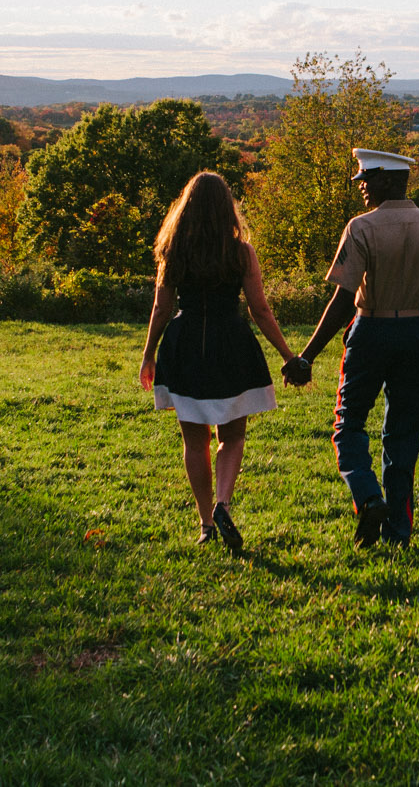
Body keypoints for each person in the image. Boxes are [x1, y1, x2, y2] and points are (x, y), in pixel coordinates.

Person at [283, 148, 419, 547]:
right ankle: (398, 532)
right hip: (417, 334)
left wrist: (307, 356)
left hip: (370, 331)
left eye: (366, 179)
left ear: (386, 179)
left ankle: (367, 498)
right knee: (404, 435)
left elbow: (344, 299)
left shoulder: (361, 228)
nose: (361, 187)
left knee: (348, 425)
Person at [139, 170, 302, 555]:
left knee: (195, 442)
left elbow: (162, 308)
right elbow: (259, 309)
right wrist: (288, 355)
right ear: (227, 208)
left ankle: (206, 524)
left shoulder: (173, 250)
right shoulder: (241, 252)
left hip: (185, 345)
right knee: (233, 436)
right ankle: (223, 504)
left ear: (187, 208)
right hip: (232, 344)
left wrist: (148, 354)